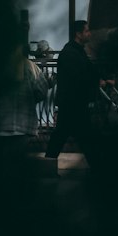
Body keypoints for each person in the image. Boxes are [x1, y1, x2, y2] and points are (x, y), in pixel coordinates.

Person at [44, 21, 100, 163]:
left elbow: (87, 72)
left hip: (72, 103)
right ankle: (97, 168)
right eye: (86, 31)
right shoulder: (72, 53)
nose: (89, 34)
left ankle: (48, 164)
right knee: (84, 137)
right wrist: (97, 81)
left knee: (65, 135)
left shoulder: (74, 51)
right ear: (78, 34)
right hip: (74, 103)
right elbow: (82, 74)